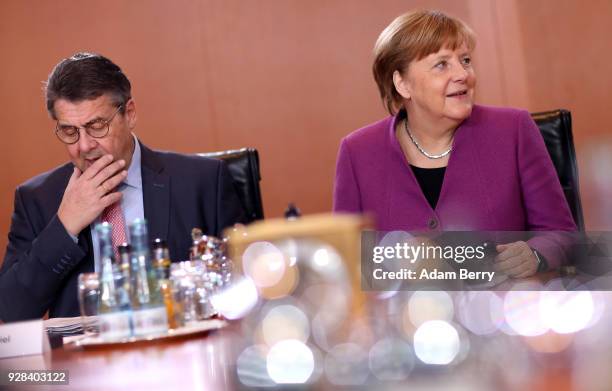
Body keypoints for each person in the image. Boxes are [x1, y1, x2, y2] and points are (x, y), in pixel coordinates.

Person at [0, 53, 245, 322]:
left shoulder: (203, 181)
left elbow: (243, 289)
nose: (84, 146)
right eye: (70, 132)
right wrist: (65, 225)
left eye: (96, 126)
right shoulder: (37, 198)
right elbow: (12, 312)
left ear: (129, 114)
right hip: (84, 361)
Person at [333, 10, 576, 278]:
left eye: (466, 60)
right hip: (409, 314)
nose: (463, 74)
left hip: (503, 307)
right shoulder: (357, 151)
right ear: (402, 84)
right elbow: (348, 258)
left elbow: (561, 232)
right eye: (442, 64)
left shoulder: (513, 129)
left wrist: (536, 254)